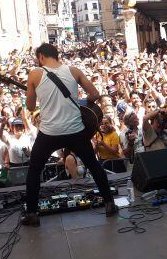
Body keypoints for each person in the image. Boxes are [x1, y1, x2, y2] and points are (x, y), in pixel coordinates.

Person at [22, 43, 115, 226]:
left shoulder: (35, 74)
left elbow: (31, 107)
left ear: (41, 57)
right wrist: (82, 104)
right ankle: (109, 203)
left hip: (49, 132)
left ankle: (32, 213)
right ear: (56, 55)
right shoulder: (74, 70)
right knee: (94, 165)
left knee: (34, 170)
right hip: (75, 130)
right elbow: (95, 94)